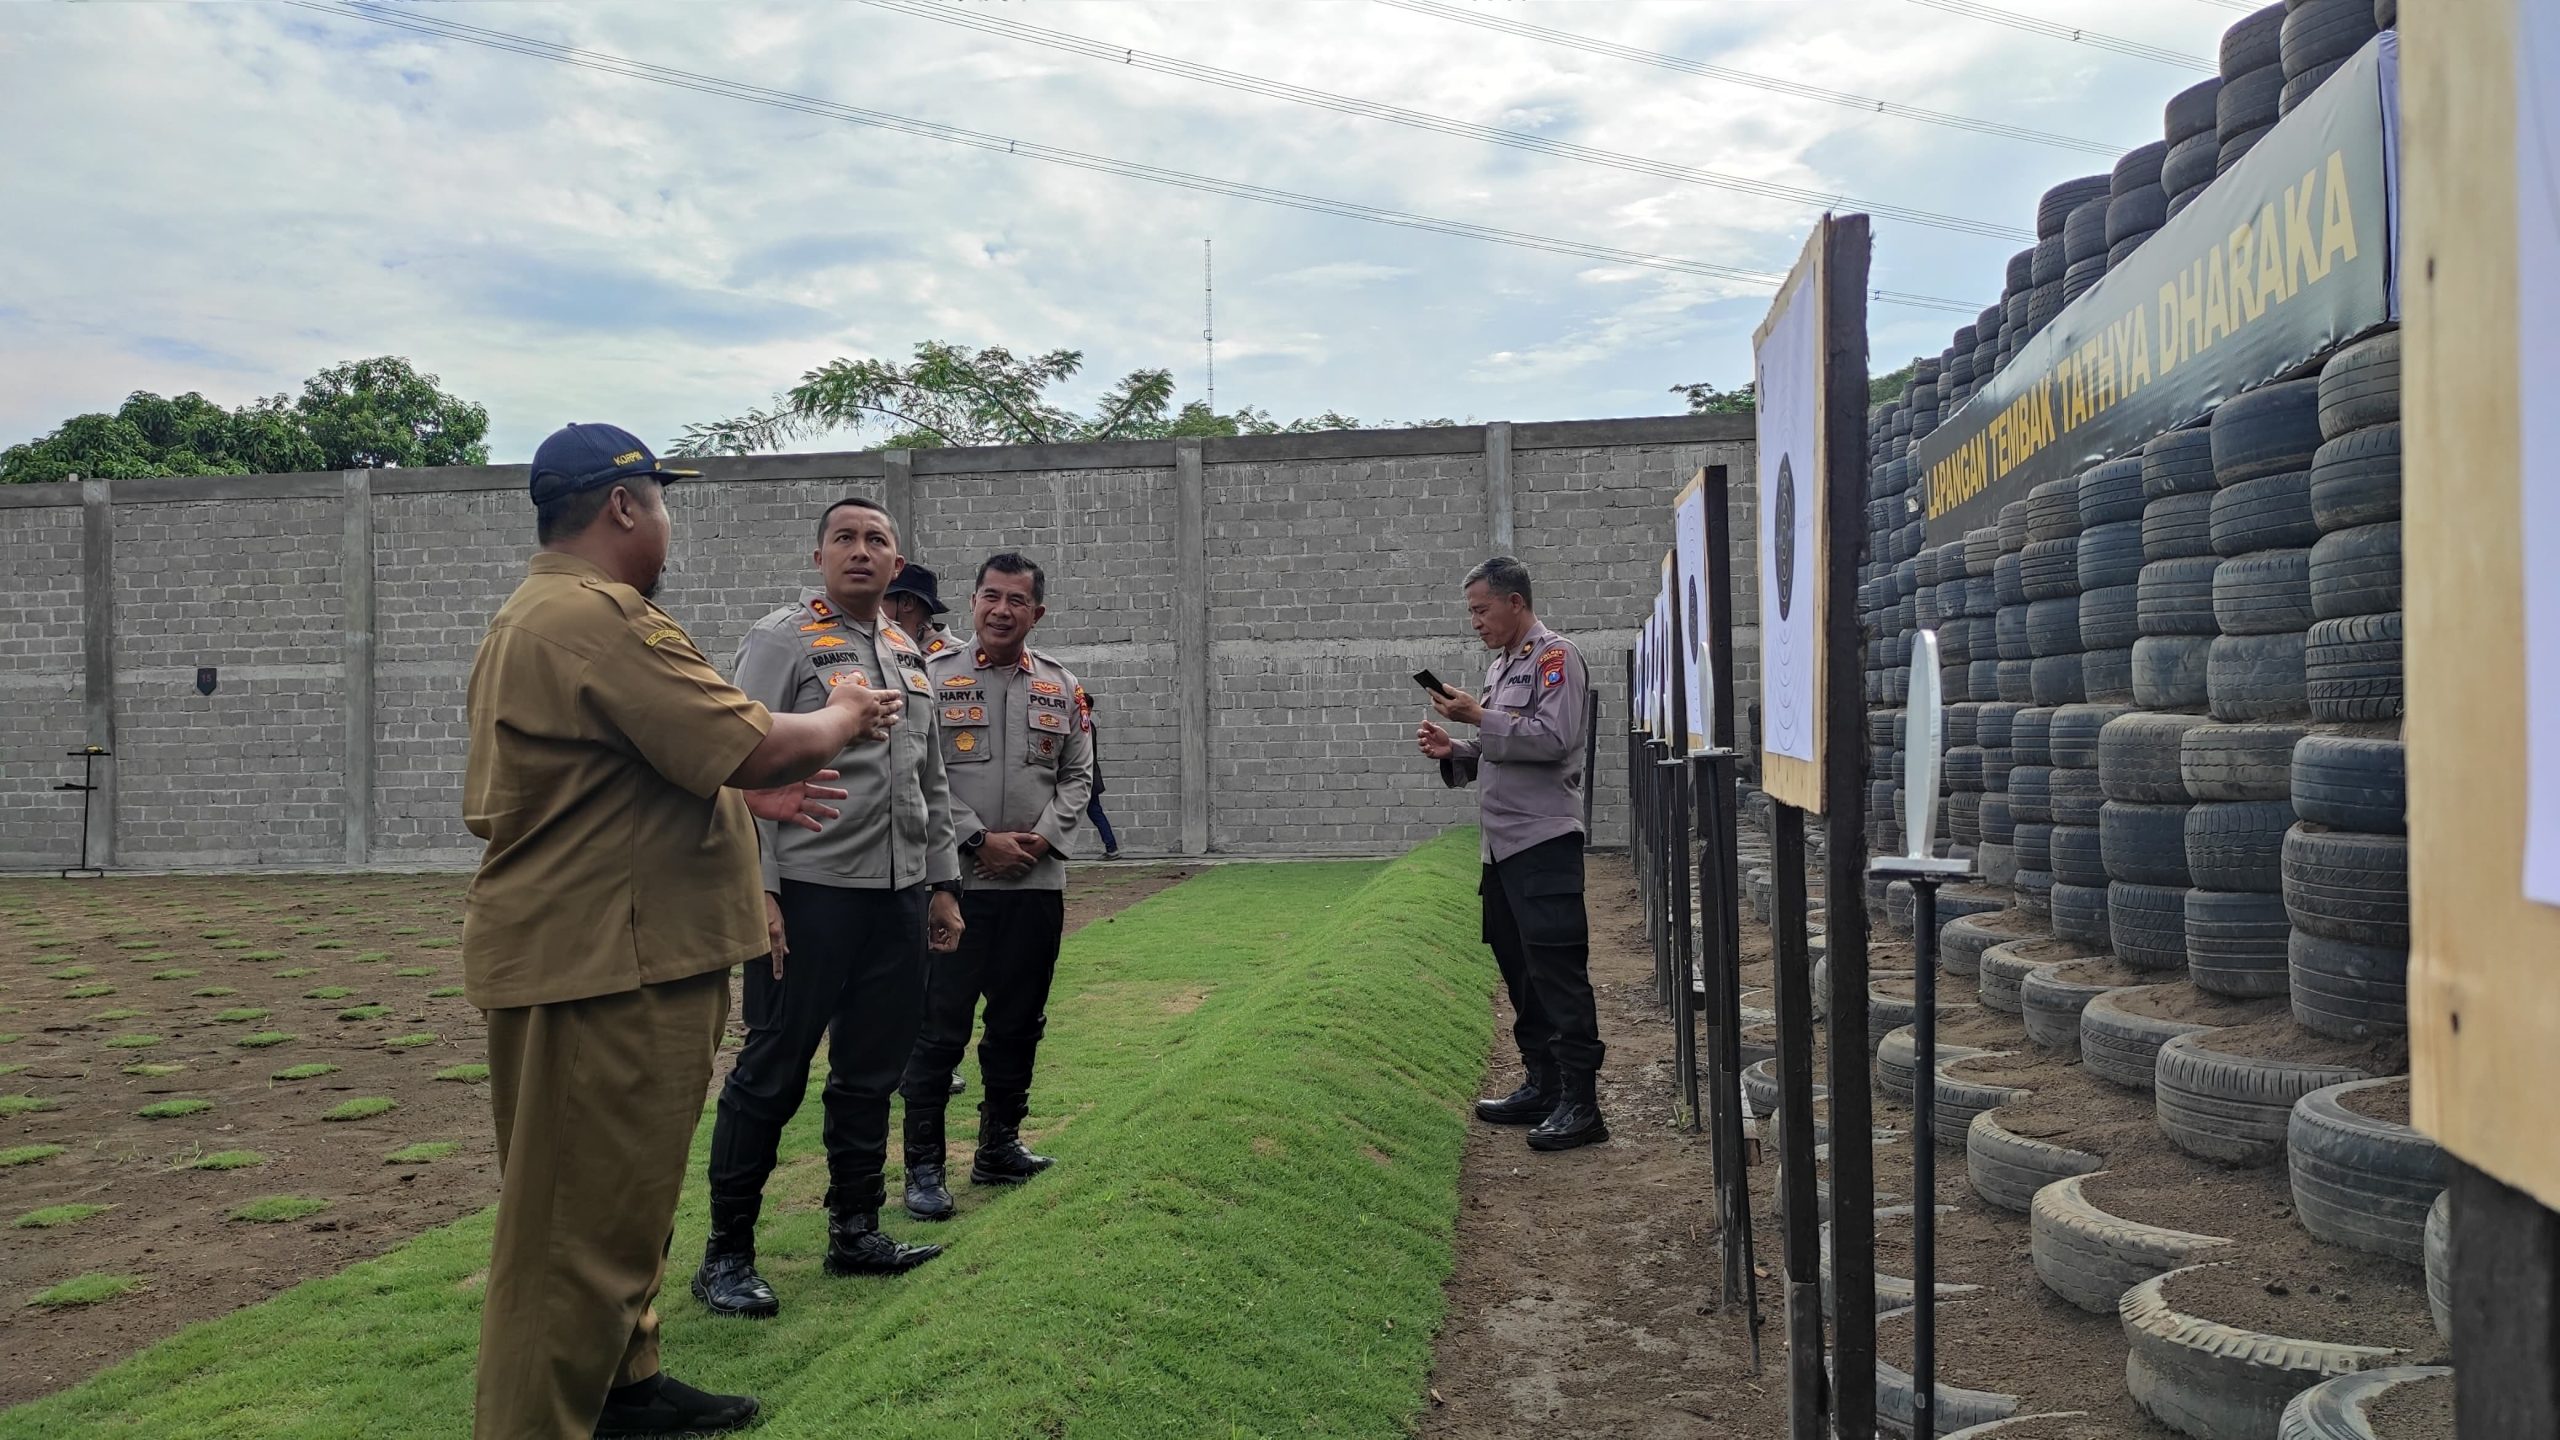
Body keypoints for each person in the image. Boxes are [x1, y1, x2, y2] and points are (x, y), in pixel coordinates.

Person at [464, 422, 899, 1439]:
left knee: (622, 1205)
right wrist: (840, 710)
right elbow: (752, 744)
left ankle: (625, 1386)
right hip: (601, 964)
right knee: (571, 1234)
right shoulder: (594, 615)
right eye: (662, 502)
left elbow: (646, 776)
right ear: (623, 505)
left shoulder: (556, 612)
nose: (667, 523)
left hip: (624, 950)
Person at [691, 497, 967, 1321]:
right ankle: (726, 1256)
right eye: (844, 538)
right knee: (770, 1074)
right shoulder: (782, 640)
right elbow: (736, 764)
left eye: (875, 540)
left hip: (895, 898)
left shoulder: (906, 650)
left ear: (895, 562)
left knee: (870, 1075)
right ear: (819, 555)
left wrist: (942, 883)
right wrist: (762, 892)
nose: (860, 551)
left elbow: (931, 780)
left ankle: (856, 1231)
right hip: (807, 896)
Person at [899, 552, 1095, 1220]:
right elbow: (918, 772)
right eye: (991, 597)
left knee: (1018, 1025)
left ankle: (999, 1146)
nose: (1002, 610)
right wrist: (979, 840)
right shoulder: (931, 677)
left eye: (1017, 600)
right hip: (957, 886)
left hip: (1036, 887)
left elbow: (1077, 775)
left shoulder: (1063, 687)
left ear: (1036, 612)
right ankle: (923, 1169)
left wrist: (1040, 838)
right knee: (938, 1029)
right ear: (974, 602)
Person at [1414, 555, 1607, 1152]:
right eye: (1470, 611)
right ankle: (1542, 1084)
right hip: (1501, 850)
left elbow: (1554, 739)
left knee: (1556, 968)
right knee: (1519, 968)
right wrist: (1458, 749)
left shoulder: (1556, 658)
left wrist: (1480, 716)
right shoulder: (1502, 668)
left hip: (1543, 841)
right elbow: (1504, 744)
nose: (1475, 621)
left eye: (1481, 609)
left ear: (1515, 602)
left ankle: (1581, 1102)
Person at [884, 561, 973, 1097]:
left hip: (922, 838)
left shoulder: (928, 661)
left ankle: (910, 1057)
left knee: (919, 964)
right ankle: (899, 1060)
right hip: (881, 842)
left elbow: (936, 770)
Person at [884, 562, 965, 658]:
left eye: (881, 599)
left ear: (907, 602)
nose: (876, 610)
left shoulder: (960, 657)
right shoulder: (887, 650)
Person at [1077, 683, 1120, 858]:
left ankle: (1112, 848)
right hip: (1088, 778)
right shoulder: (1086, 726)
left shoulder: (1085, 727)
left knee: (1093, 812)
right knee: (1095, 812)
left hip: (1085, 778)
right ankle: (1111, 847)